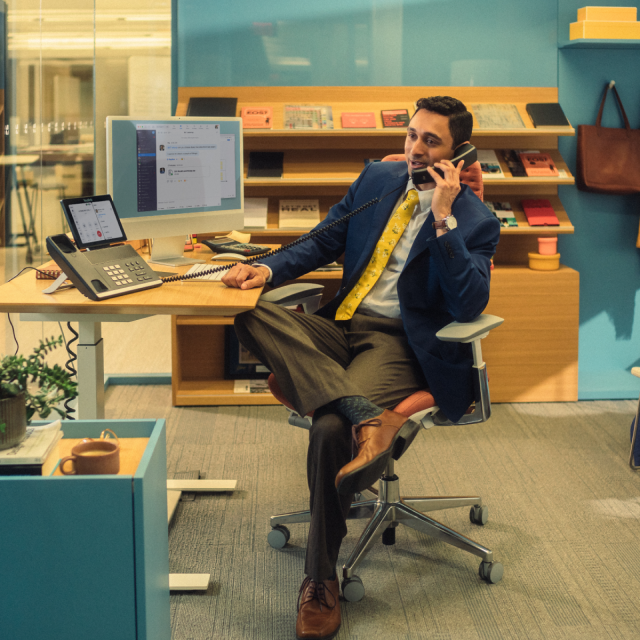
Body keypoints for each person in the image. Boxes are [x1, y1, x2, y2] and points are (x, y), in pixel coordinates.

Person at [222, 96, 500, 640]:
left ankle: (320, 580)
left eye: (431, 142)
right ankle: (362, 414)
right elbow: (323, 240)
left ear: (458, 153)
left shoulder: (474, 220)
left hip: (397, 342)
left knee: (328, 428)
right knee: (251, 315)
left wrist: (442, 218)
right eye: (412, 135)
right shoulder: (376, 178)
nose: (415, 149)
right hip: (339, 325)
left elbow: (468, 303)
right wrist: (265, 269)